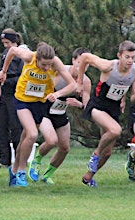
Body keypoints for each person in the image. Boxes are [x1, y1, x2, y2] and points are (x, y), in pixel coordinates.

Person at [0, 42, 77, 187]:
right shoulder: (29, 57)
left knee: (46, 140)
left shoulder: (55, 62)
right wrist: (4, 71)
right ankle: (21, 171)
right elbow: (13, 50)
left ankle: (13, 171)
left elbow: (73, 84)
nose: (47, 68)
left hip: (40, 104)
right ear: (37, 59)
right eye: (44, 64)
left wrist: (57, 93)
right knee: (32, 134)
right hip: (23, 101)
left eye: (49, 64)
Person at [77, 40, 135, 187]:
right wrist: (80, 82)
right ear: (119, 55)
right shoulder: (107, 66)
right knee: (115, 130)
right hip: (97, 106)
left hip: (113, 110)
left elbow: (133, 98)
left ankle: (88, 178)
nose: (130, 61)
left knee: (107, 153)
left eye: (133, 57)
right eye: (127, 57)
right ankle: (95, 155)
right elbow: (85, 57)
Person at [27, 47, 91, 185]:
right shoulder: (60, 71)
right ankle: (36, 160)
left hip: (60, 112)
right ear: (73, 60)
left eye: (86, 65)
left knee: (65, 147)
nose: (82, 67)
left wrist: (78, 104)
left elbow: (87, 106)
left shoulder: (86, 82)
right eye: (80, 63)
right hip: (45, 109)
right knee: (51, 141)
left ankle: (47, 175)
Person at [0, 28, 25, 168]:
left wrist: (5, 80)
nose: (5, 46)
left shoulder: (22, 55)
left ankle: (18, 159)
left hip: (15, 95)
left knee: (16, 129)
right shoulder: (5, 54)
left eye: (7, 42)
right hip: (4, 95)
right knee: (1, 127)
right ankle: (4, 160)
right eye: (4, 43)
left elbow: (22, 78)